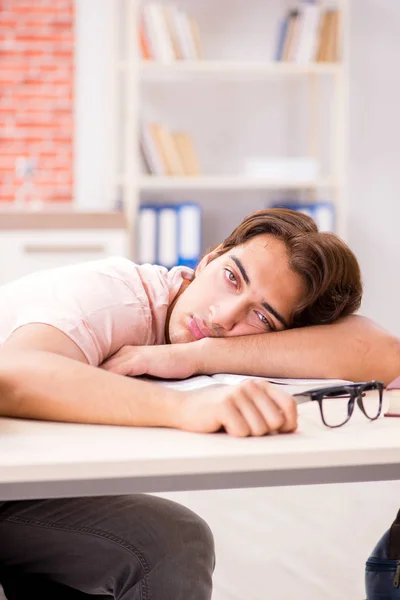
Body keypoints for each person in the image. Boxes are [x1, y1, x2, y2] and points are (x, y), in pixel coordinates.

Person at [0, 208, 398, 600]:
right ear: (210, 256)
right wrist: (185, 408)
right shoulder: (114, 298)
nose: (223, 317)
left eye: (261, 317)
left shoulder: (203, 338)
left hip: (17, 487)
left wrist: (197, 355)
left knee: (176, 543)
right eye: (231, 278)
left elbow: (382, 352)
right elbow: (14, 376)